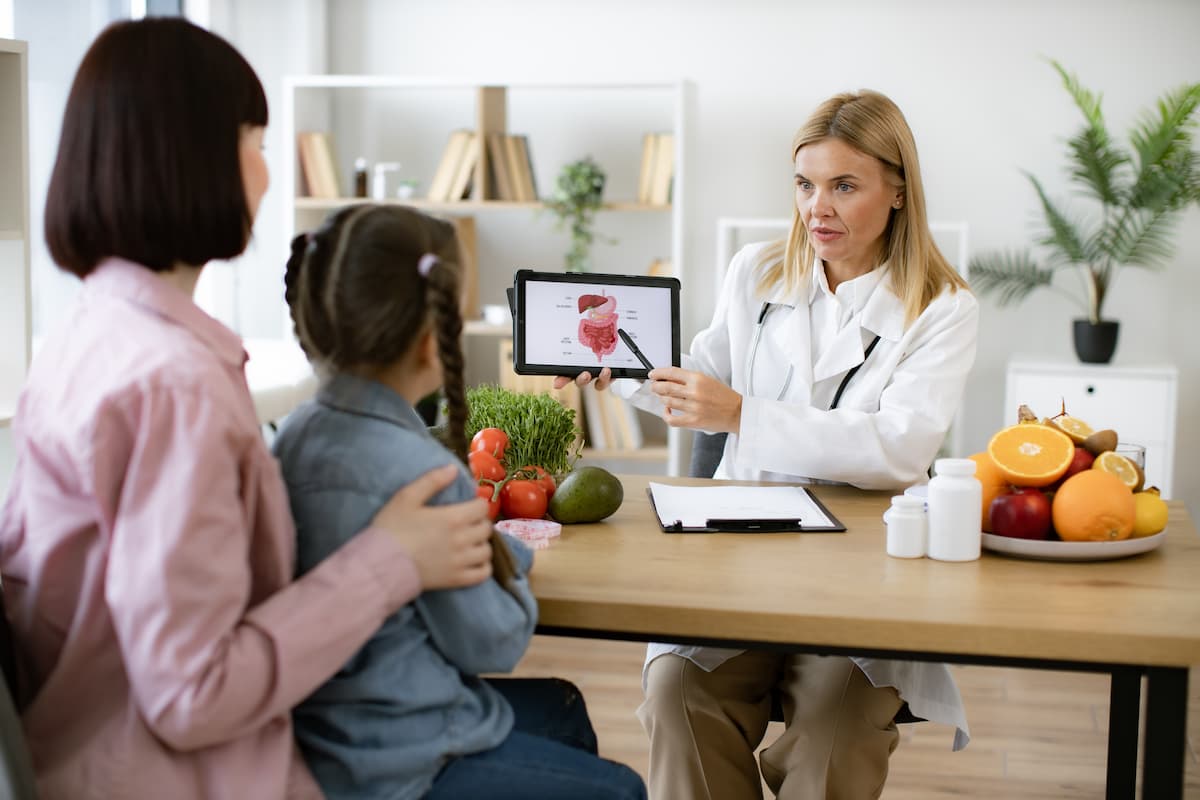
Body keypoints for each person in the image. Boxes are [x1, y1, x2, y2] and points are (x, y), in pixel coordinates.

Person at [0, 18, 498, 800]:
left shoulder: (89, 333)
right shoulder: (173, 387)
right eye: (257, 141)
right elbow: (193, 695)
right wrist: (391, 560)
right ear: (190, 158)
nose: (267, 174)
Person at [561, 89, 978, 799]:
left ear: (899, 189)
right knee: (676, 695)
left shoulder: (943, 308)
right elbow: (706, 381)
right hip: (736, 559)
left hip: (860, 576)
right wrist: (625, 374)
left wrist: (743, 415)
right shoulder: (755, 271)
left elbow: (900, 449)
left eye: (844, 186)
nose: (818, 207)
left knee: (837, 730)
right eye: (805, 184)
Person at [275, 202, 647, 800]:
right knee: (622, 790)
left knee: (561, 709)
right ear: (432, 341)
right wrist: (511, 561)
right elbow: (494, 642)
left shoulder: (290, 437)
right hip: (398, 753)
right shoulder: (425, 472)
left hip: (315, 726)